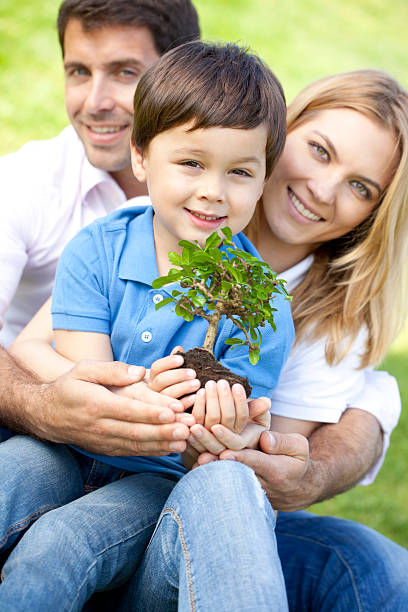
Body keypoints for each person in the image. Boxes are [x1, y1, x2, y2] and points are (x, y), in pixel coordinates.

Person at [0, 40, 293, 610]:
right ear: (141, 158)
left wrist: (225, 431)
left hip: (153, 483)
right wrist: (141, 392)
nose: (213, 189)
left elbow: (228, 443)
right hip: (68, 445)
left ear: (262, 182)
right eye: (191, 163)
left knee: (58, 546)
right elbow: (87, 381)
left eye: (240, 171)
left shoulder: (259, 301)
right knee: (11, 472)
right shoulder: (98, 248)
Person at [109, 68, 408, 611]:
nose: (323, 189)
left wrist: (244, 440)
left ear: (374, 214)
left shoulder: (337, 323)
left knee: (381, 571)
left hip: (195, 516)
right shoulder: (172, 212)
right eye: (319, 151)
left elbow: (258, 477)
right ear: (278, 133)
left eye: (360, 187)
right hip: (96, 470)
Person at [0, 0, 200, 349]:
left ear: (182, 76)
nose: (94, 103)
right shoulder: (22, 181)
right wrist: (41, 401)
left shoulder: (226, 191)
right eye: (79, 71)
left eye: (125, 72)